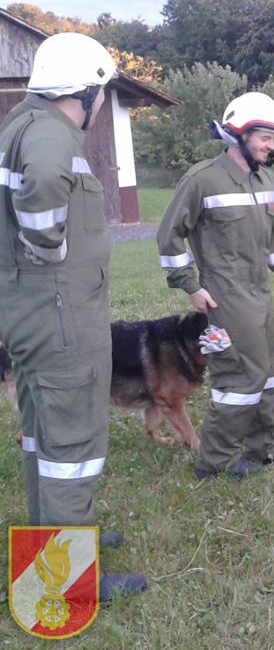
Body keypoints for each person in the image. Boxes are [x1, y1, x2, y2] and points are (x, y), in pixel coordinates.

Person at [0, 32, 146, 599]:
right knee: (70, 450)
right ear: (85, 92)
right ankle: (63, 585)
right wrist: (50, 243)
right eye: (100, 93)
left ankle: (59, 542)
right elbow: (41, 185)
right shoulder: (48, 134)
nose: (101, 104)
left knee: (44, 438)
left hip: (36, 313)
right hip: (59, 317)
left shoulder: (23, 122)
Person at [157, 91, 274, 479]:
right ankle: (215, 461)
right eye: (265, 138)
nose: (271, 146)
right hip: (225, 299)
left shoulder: (268, 180)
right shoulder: (202, 180)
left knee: (268, 373)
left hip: (260, 294)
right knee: (239, 378)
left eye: (273, 139)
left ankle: (264, 447)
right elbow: (168, 236)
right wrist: (190, 286)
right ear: (239, 134)